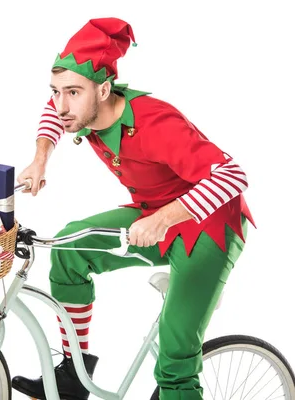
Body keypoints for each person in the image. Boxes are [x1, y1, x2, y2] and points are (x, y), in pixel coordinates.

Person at [13, 17, 255, 400]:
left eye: (72, 92)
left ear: (104, 89)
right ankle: (74, 377)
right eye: (56, 91)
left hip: (211, 227)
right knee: (67, 248)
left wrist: (163, 218)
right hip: (154, 212)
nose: (61, 106)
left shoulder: (156, 123)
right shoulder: (81, 108)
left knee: (175, 358)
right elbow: (51, 113)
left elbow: (232, 177)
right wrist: (41, 157)